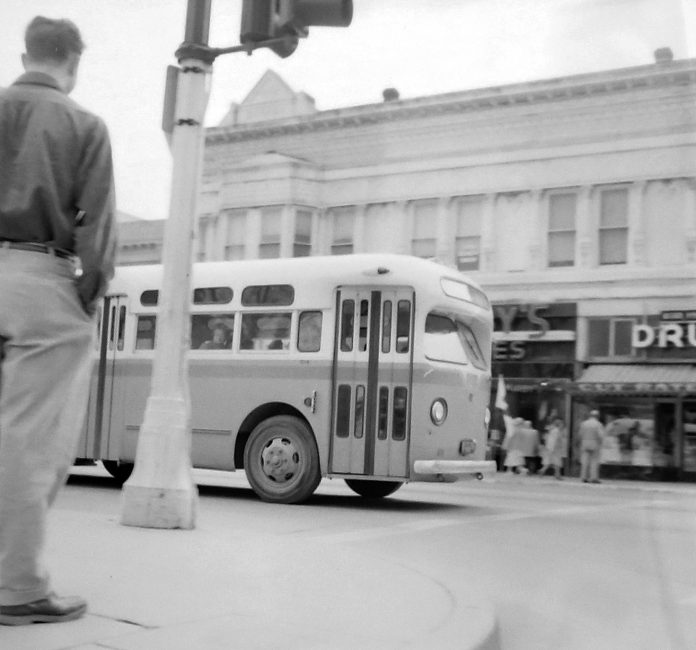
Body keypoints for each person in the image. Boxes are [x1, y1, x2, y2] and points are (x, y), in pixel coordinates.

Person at [0, 17, 116, 625]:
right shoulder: (84, 126)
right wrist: (86, 298)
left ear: (26, 55)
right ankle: (17, 587)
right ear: (73, 61)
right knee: (31, 439)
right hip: (40, 276)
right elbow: (97, 231)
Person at [577, 410, 605, 484]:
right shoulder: (598, 424)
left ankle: (583, 477)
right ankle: (593, 478)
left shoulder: (584, 423)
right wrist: (601, 443)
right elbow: (601, 435)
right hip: (594, 443)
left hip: (585, 443)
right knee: (594, 461)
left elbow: (580, 434)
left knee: (585, 461)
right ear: (597, 416)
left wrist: (580, 442)